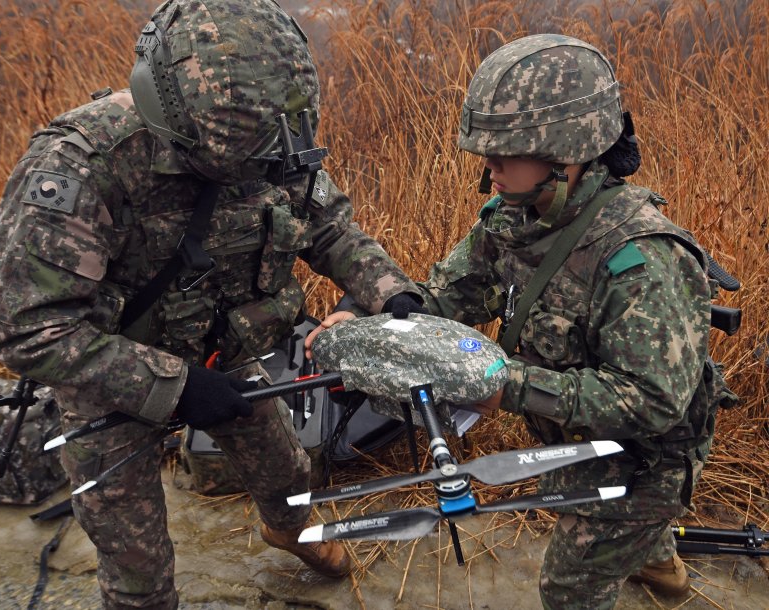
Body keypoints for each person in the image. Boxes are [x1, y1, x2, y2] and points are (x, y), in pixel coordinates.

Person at [0, 0, 424, 607]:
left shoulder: (270, 135)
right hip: (110, 383)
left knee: (291, 480)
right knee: (140, 578)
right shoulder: (83, 166)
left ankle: (289, 532)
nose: (257, 169)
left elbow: (328, 227)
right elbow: (29, 329)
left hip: (220, 358)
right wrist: (176, 388)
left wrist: (390, 291)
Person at [306, 34, 735, 609]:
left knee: (569, 589)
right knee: (627, 543)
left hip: (646, 458)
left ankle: (645, 546)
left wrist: (504, 387)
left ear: (566, 155)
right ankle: (661, 571)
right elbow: (447, 295)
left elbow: (653, 403)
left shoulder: (642, 260)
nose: (490, 168)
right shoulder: (514, 217)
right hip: (571, 438)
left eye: (504, 155)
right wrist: (364, 323)